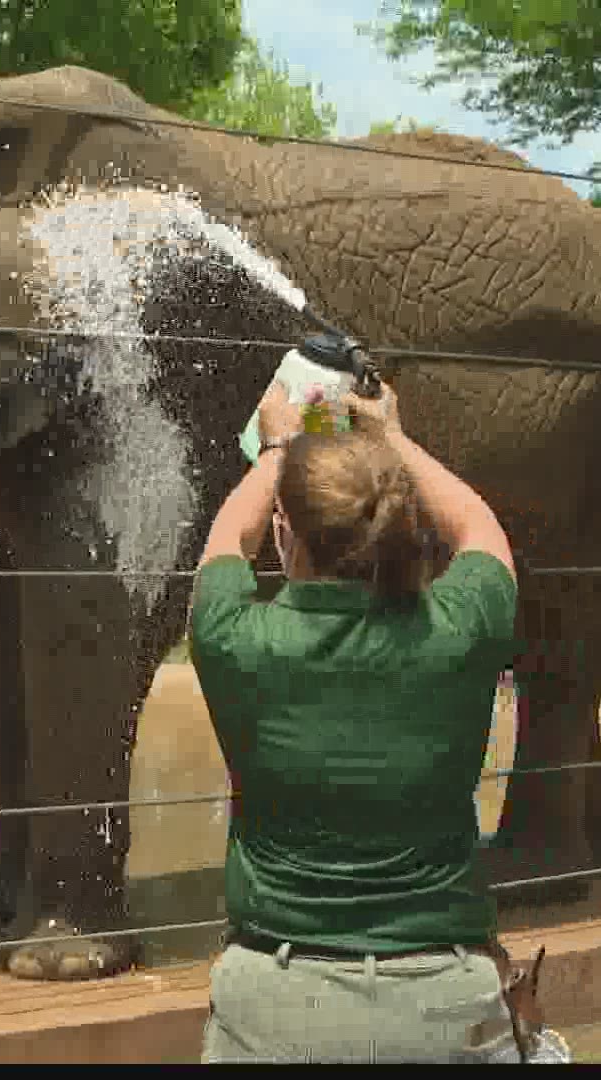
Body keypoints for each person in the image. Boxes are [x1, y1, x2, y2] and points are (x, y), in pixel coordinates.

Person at [187, 377, 524, 1064]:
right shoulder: (460, 629)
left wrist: (278, 446)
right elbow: (478, 527)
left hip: (273, 1006)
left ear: (286, 534)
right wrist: (392, 439)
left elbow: (227, 536)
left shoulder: (234, 639)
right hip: (448, 1005)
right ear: (403, 526)